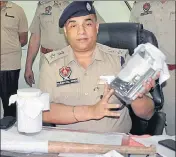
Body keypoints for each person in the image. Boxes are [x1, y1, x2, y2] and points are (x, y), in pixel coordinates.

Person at [39, 1, 157, 133]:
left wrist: (136, 96)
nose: (81, 31)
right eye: (74, 25)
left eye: (88, 24)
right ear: (66, 32)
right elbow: (44, 112)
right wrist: (91, 111)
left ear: (96, 27)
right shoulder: (52, 63)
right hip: (69, 145)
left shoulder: (121, 60)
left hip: (114, 146)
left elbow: (147, 114)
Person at [25, 0, 105, 87]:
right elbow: (35, 37)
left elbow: (99, 31)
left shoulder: (79, 3)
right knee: (47, 95)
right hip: (48, 61)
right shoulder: (43, 5)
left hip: (73, 62)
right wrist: (28, 66)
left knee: (73, 95)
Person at [130, 0, 175, 135]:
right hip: (146, 76)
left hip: (173, 73)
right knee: (148, 128)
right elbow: (132, 40)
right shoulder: (139, 6)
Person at [0, 1, 28, 117]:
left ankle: (9, 129)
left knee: (9, 103)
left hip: (9, 63)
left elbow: (23, 39)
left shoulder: (17, 10)